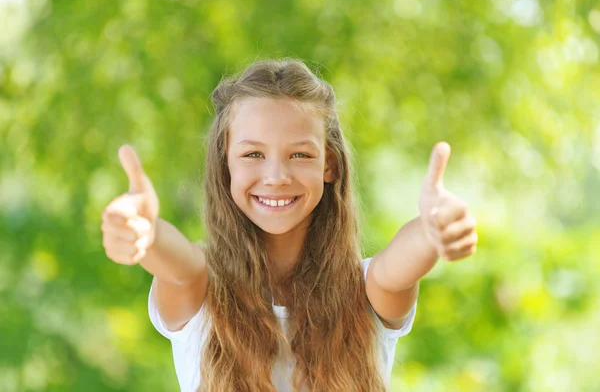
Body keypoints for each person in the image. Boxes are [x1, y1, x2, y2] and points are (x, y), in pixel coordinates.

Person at [100, 59, 478, 392]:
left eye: (300, 154)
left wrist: (432, 231)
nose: (277, 176)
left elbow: (398, 267)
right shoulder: (203, 294)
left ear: (328, 164)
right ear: (225, 164)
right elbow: (181, 268)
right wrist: (146, 234)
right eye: (253, 154)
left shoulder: (366, 293)